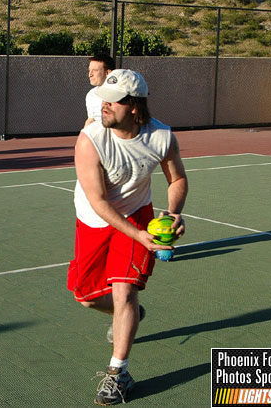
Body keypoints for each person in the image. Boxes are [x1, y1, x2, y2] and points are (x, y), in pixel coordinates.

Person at [67, 69, 188, 405]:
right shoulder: (90, 140)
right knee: (88, 297)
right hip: (94, 218)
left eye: (112, 101)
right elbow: (98, 201)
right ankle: (131, 315)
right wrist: (137, 233)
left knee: (124, 293)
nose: (103, 106)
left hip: (137, 215)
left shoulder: (162, 137)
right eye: (102, 99)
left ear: (134, 106)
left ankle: (118, 373)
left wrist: (173, 212)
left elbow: (177, 180)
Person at [84, 54, 116, 127]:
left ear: (107, 73)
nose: (90, 74)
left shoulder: (121, 94)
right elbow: (90, 119)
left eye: (95, 70)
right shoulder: (91, 95)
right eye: (89, 70)